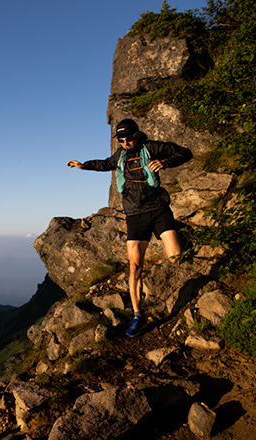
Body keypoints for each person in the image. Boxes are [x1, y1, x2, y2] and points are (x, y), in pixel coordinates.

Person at [67, 118, 193, 337]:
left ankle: (182, 235)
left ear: (137, 134)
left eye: (129, 138)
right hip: (135, 215)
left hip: (158, 209)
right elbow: (104, 164)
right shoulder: (121, 156)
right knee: (135, 267)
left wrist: (165, 162)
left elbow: (184, 152)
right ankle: (137, 316)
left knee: (177, 257)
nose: (126, 142)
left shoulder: (151, 148)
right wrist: (82, 165)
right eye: (122, 140)